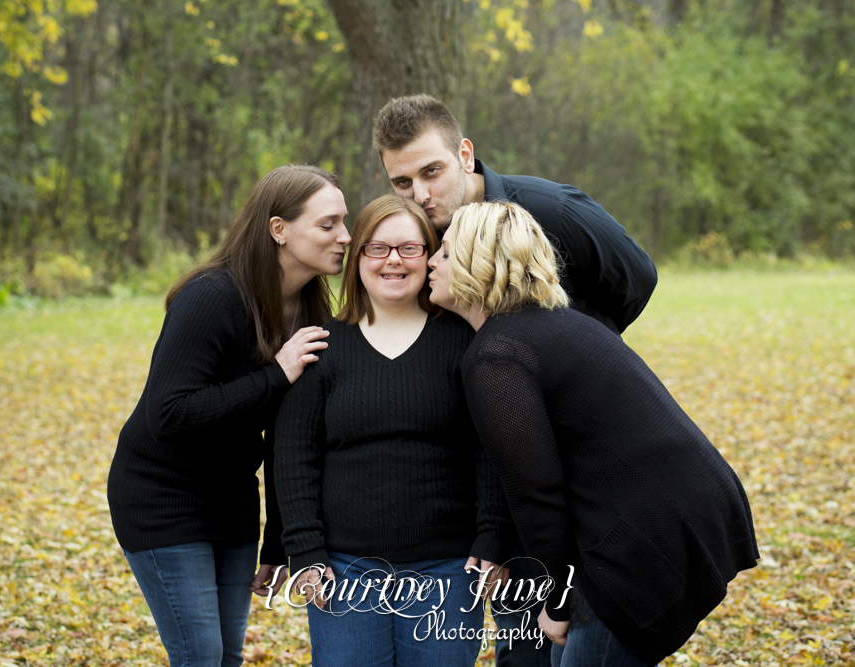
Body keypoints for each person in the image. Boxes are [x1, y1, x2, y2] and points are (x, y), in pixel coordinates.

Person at [427, 201, 760, 667]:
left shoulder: (497, 356)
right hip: (684, 511)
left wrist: (557, 602)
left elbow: (537, 495)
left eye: (443, 252)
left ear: (473, 262)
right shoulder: (556, 325)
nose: (430, 262)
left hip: (642, 537)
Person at [107, 165, 352, 667]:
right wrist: (276, 375)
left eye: (343, 222)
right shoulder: (211, 297)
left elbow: (293, 438)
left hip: (232, 502)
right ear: (279, 229)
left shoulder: (310, 314)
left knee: (227, 657)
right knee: (201, 656)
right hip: (162, 498)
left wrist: (277, 541)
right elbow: (169, 413)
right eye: (328, 224)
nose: (345, 237)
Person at [274, 194, 509, 667]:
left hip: (447, 570)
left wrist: (490, 538)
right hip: (343, 571)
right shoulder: (321, 346)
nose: (393, 261)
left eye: (409, 248)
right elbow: (293, 456)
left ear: (431, 255)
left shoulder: (464, 342)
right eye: (377, 249)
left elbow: (488, 450)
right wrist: (306, 552)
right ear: (357, 257)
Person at [373, 93, 657, 337]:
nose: (420, 195)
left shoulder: (552, 208)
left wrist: (585, 344)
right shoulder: (408, 243)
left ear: (465, 156)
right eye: (403, 183)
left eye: (431, 171)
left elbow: (637, 280)